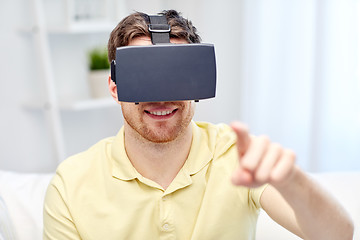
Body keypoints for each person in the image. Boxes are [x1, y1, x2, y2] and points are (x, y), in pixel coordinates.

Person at [43, 10, 354, 240]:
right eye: (146, 77)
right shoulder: (71, 184)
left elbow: (338, 235)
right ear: (115, 87)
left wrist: (291, 180)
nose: (161, 98)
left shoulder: (236, 155)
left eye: (175, 75)